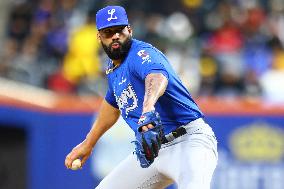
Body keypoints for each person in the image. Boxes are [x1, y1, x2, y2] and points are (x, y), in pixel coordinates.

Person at [65, 5, 218, 189]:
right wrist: (88, 143)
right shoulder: (113, 67)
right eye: (108, 32)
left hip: (190, 141)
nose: (115, 36)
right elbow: (112, 104)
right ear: (99, 37)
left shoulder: (141, 54)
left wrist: (148, 108)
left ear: (129, 30)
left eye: (119, 30)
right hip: (154, 152)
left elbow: (157, 77)